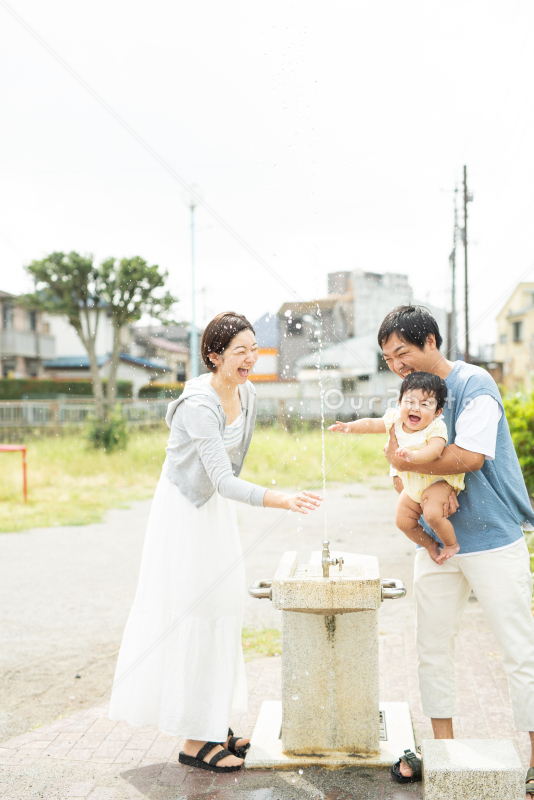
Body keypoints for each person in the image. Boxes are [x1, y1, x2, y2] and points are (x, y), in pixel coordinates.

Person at [109, 312, 322, 774]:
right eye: (240, 350)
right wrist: (280, 498)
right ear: (214, 355)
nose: (251, 357)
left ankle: (212, 723)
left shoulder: (248, 392)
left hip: (214, 512)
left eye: (254, 347)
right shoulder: (197, 405)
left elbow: (233, 468)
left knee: (224, 607)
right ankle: (193, 741)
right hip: (186, 512)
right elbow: (223, 480)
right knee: (196, 610)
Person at [375, 305, 534, 795]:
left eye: (402, 352)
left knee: (519, 650)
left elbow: (469, 455)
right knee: (431, 647)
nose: (397, 365)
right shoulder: (411, 400)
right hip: (436, 543)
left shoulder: (473, 384)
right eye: (388, 359)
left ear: (430, 342)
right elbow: (399, 464)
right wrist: (402, 465)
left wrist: (407, 455)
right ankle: (441, 751)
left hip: (494, 538)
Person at [329, 372, 463, 564]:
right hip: (413, 485)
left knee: (432, 514)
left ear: (437, 412)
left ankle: (451, 544)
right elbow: (373, 423)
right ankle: (429, 544)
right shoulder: (395, 420)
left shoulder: (436, 428)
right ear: (400, 402)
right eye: (410, 401)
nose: (416, 408)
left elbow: (435, 450)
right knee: (402, 521)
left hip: (438, 481)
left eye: (425, 404)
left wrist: (413, 457)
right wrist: (351, 427)